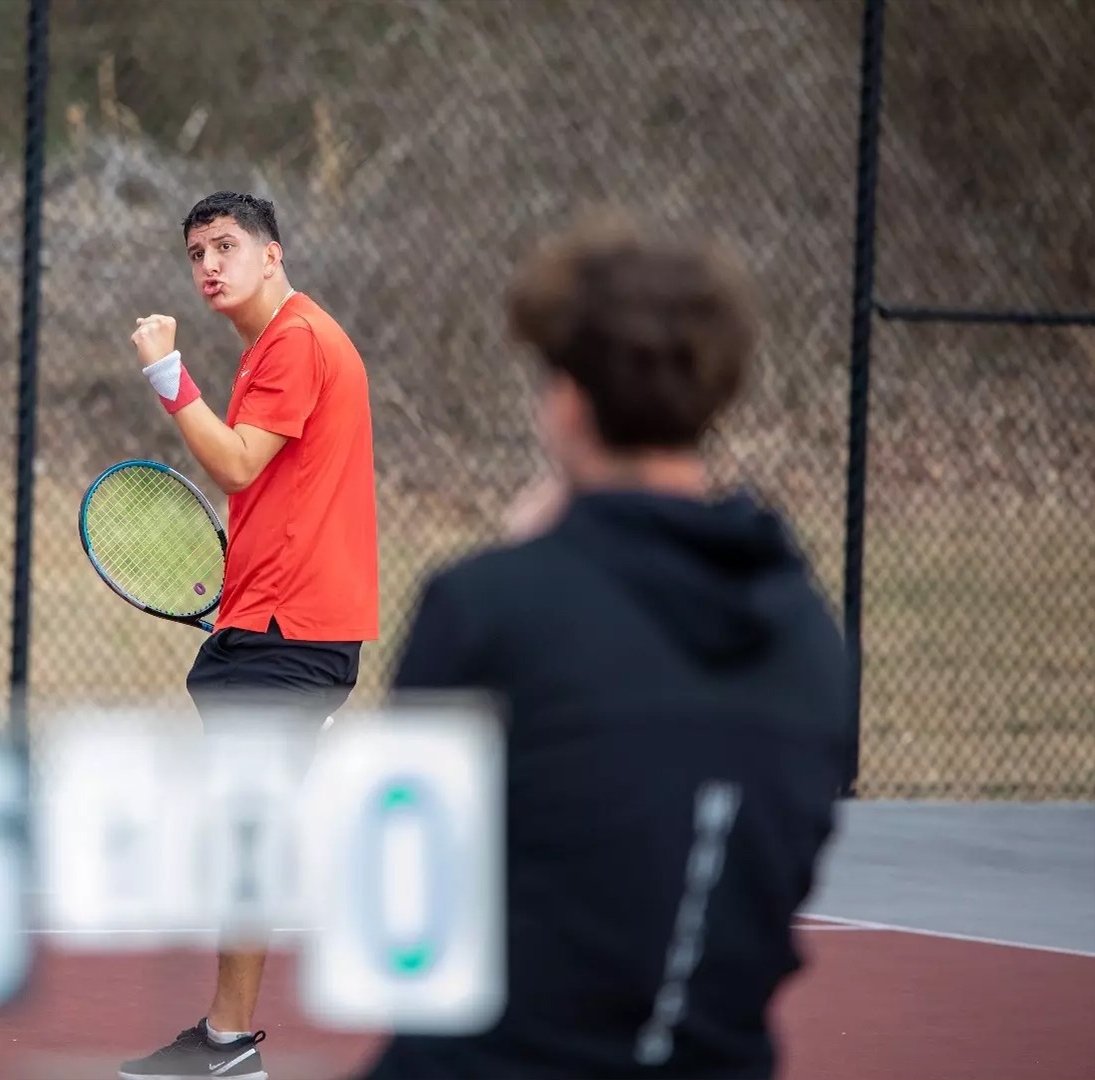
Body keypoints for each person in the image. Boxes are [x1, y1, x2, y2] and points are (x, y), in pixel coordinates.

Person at [356, 212, 850, 1079]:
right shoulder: (810, 638)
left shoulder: (486, 607)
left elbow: (396, 909)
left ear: (568, 401)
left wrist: (524, 563)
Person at [117, 191, 381, 1080]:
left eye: (226, 247)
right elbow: (275, 491)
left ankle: (229, 1049)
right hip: (271, 625)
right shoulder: (276, 346)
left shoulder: (297, 340)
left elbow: (234, 462)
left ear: (273, 255)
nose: (208, 266)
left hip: (290, 635)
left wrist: (167, 374)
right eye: (197, 253)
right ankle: (225, 1040)